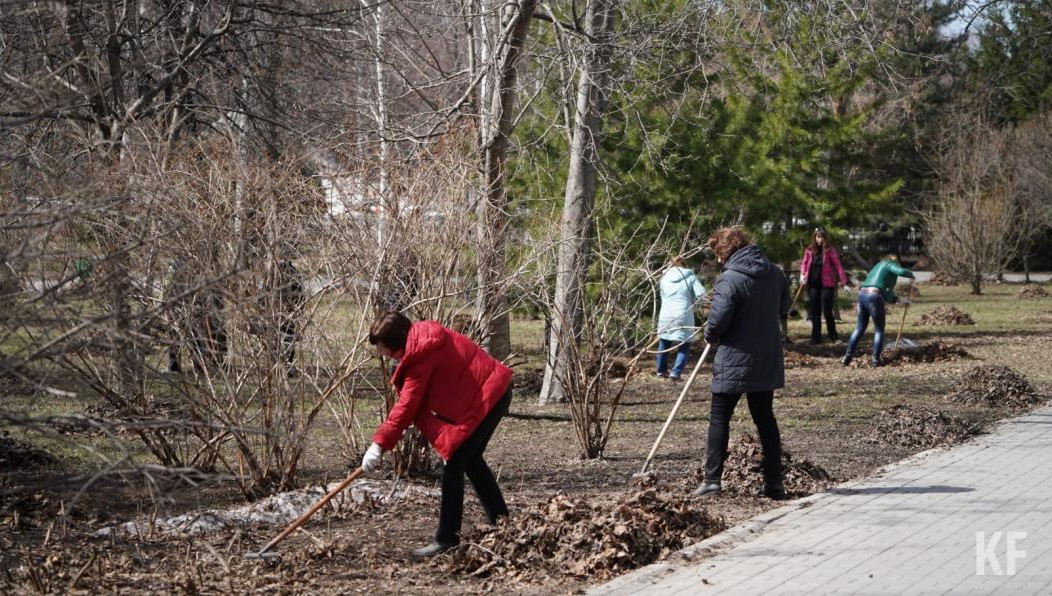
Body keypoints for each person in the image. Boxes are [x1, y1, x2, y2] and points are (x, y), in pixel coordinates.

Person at [362, 311, 513, 557]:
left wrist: (378, 445)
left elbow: (407, 405)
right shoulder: (422, 338)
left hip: (489, 398)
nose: (384, 354)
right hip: (492, 393)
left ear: (397, 343)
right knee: (470, 460)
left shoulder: (420, 355)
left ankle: (447, 539)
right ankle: (502, 522)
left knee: (454, 466)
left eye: (384, 348)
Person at [691, 227, 789, 501]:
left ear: (725, 252)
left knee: (720, 418)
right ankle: (774, 484)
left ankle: (712, 481)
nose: (719, 260)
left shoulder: (730, 279)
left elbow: (718, 320)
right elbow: (784, 308)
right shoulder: (775, 273)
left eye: (718, 254)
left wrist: (710, 334)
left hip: (734, 358)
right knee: (765, 419)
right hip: (766, 357)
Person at [842, 255, 915, 367]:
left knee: (860, 328)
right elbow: (900, 271)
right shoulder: (890, 263)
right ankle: (876, 359)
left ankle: (847, 357)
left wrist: (899, 300)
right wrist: (911, 274)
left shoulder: (877, 266)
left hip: (862, 294)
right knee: (879, 329)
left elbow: (885, 289)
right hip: (874, 296)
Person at [655, 256, 706, 381]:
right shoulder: (690, 277)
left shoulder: (664, 278)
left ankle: (661, 371)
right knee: (684, 345)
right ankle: (676, 373)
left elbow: (662, 296)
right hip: (684, 314)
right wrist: (695, 306)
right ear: (684, 265)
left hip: (666, 315)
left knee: (664, 343)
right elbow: (701, 295)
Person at [799, 227, 850, 344]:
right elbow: (804, 263)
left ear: (825, 238)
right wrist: (802, 274)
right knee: (815, 312)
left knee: (827, 311)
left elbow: (838, 266)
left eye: (822, 237)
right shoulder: (809, 250)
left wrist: (844, 283)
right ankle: (815, 338)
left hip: (827, 285)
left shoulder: (830, 251)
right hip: (813, 285)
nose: (820, 239)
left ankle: (833, 336)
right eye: (817, 237)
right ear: (814, 237)